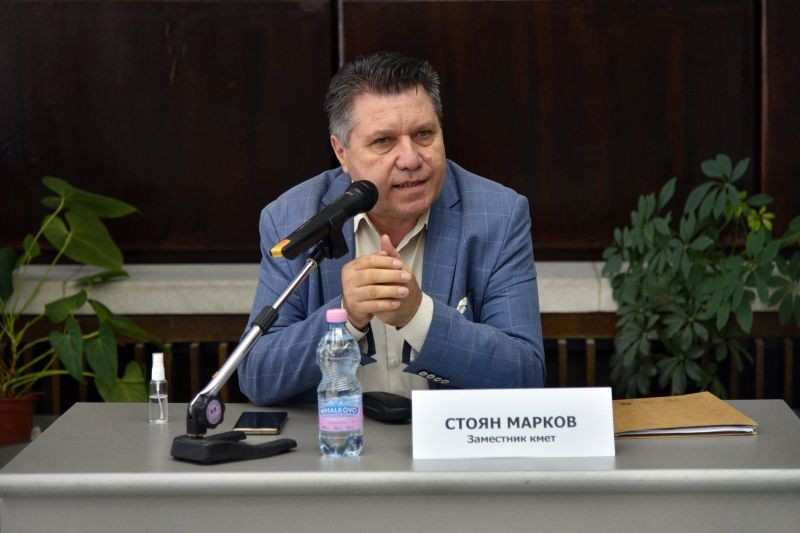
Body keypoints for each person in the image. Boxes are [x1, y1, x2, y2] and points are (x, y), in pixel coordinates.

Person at [238, 51, 545, 405]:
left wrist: (419, 316)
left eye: (424, 134)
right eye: (383, 141)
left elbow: (526, 374)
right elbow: (257, 375)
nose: (411, 159)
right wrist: (346, 316)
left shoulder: (498, 216)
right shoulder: (293, 218)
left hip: (446, 437)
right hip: (339, 435)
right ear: (341, 152)